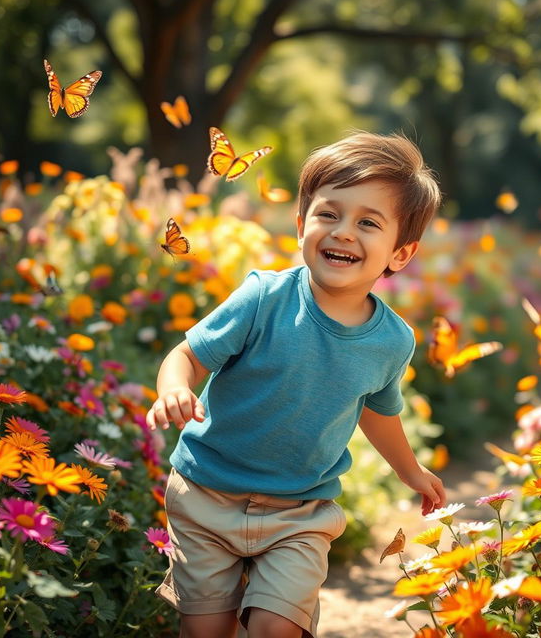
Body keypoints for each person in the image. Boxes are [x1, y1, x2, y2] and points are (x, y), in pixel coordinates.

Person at [147, 131, 447, 638]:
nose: (343, 233)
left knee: (274, 628)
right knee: (205, 632)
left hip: (300, 512)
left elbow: (378, 411)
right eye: (328, 214)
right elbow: (188, 356)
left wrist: (412, 470)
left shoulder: (392, 340)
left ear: (400, 253)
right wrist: (174, 388)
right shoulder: (264, 297)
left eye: (368, 223)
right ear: (301, 221)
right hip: (205, 495)